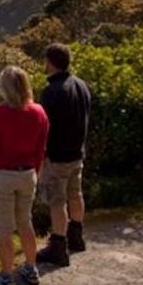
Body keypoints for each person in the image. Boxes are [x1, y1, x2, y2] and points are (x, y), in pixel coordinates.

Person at [0, 66, 49, 285]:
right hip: (28, 174)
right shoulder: (39, 112)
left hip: (2, 176)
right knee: (25, 222)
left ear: (4, 88)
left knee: (4, 229)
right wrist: (35, 171)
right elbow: (41, 148)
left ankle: (6, 277)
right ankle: (31, 268)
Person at [36, 43, 91, 267]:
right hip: (77, 153)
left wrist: (42, 157)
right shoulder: (82, 85)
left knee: (57, 201)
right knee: (75, 194)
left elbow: (44, 128)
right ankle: (76, 238)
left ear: (50, 62)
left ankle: (58, 248)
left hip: (57, 156)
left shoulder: (52, 92)